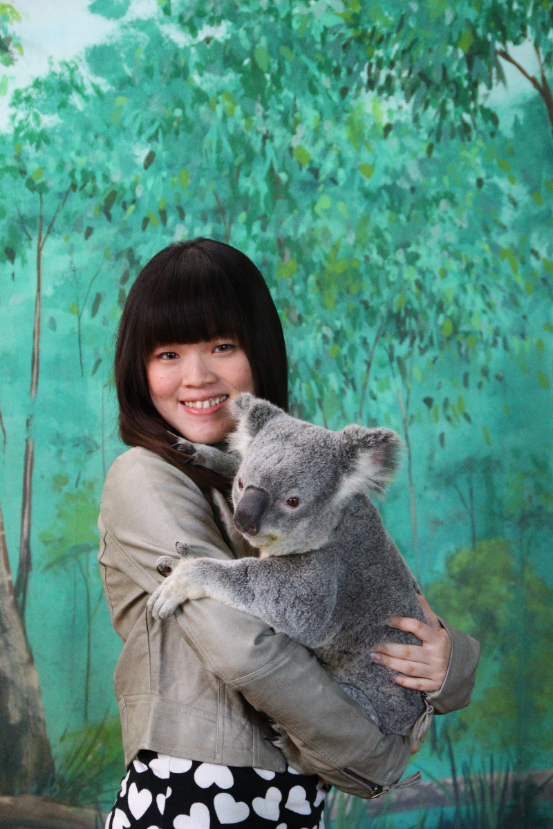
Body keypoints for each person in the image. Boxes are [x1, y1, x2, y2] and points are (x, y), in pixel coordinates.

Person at [99, 238, 480, 829]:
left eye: (221, 346)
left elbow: (376, 590)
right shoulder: (143, 478)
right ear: (138, 368)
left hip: (296, 800)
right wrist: (375, 753)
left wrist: (449, 663)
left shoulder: (298, 464)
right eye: (167, 353)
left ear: (260, 353)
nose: (196, 376)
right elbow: (241, 642)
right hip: (194, 797)